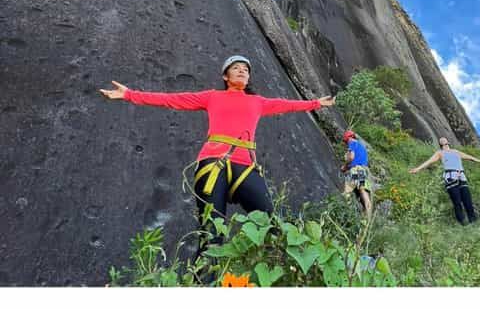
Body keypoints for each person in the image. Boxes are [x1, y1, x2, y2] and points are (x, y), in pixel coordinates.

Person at [100, 54, 335, 243]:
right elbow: (171, 99)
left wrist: (316, 103)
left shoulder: (258, 102)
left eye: (246, 68)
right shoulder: (212, 97)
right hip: (213, 164)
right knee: (211, 236)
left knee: (273, 224)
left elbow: (288, 105)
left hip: (245, 165)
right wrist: (130, 95)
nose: (242, 70)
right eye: (236, 67)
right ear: (225, 75)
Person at [409, 136, 480, 225]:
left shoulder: (456, 152)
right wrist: (418, 169)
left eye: (444, 138)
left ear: (448, 141)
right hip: (450, 178)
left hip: (461, 177)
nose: (442, 139)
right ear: (440, 144)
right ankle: (463, 224)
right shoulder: (440, 153)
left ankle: (473, 223)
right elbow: (429, 161)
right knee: (457, 202)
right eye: (441, 139)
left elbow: (470, 157)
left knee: (468, 201)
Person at [341, 130, 372, 216]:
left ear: (348, 138)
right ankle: (368, 216)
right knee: (363, 191)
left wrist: (345, 166)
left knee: (346, 192)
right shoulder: (361, 146)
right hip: (362, 170)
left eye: (345, 141)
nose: (346, 143)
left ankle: (349, 213)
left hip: (356, 170)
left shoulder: (352, 143)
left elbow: (351, 157)